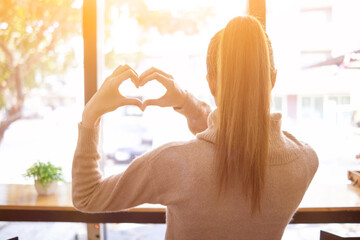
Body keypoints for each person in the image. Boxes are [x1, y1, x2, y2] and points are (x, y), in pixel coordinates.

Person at [72, 16, 318, 239]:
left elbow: (87, 195)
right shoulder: (305, 161)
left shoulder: (173, 163)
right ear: (273, 78)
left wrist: (91, 114)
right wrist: (186, 102)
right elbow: (236, 138)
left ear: (211, 83)